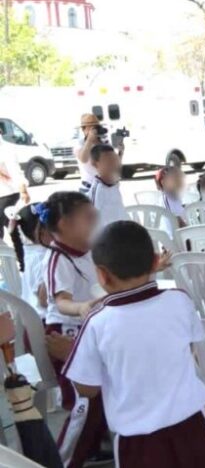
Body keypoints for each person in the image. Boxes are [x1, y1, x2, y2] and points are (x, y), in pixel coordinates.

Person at [63, 221, 205, 468]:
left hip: (139, 446)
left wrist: (68, 354)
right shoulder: (179, 301)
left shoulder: (97, 322)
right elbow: (190, 349)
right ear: (156, 261)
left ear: (102, 274)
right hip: (195, 431)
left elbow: (87, 389)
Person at [37, 192, 111, 468]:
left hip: (90, 326)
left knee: (104, 389)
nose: (96, 222)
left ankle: (93, 444)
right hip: (65, 331)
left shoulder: (90, 252)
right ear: (66, 225)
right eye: (89, 218)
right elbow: (61, 301)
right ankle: (63, 459)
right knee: (86, 400)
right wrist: (80, 308)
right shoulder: (58, 258)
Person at [9, 204, 52, 316]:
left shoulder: (31, 250)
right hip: (44, 319)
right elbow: (44, 301)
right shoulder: (40, 257)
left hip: (35, 316)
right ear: (41, 233)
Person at [86, 144, 128, 233]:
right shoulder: (97, 191)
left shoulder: (114, 183)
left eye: (114, 160)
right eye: (108, 162)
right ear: (95, 164)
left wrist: (121, 153)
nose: (113, 164)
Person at [0, 136, 29, 238]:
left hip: (7, 193)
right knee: (12, 228)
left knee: (12, 228)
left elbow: (15, 171)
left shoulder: (6, 149)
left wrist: (23, 190)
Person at [74, 113, 103, 194]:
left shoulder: (103, 143)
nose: (96, 129)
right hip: (89, 189)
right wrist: (89, 140)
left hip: (105, 188)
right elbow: (83, 159)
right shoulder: (79, 144)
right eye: (92, 127)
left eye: (97, 126)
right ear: (84, 129)